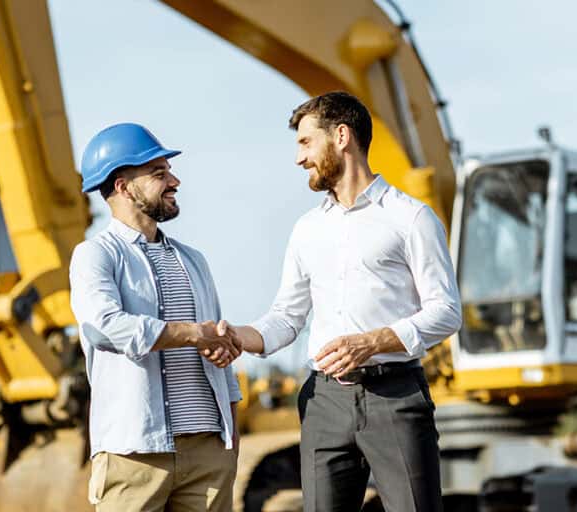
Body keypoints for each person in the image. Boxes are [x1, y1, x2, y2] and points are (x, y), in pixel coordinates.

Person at [228, 92, 463, 511]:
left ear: (341, 136)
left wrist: (371, 342)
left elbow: (446, 311)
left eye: (305, 143)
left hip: (395, 397)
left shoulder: (411, 218)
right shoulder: (306, 229)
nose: (299, 159)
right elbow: (287, 315)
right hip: (324, 402)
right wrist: (239, 337)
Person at [69, 122, 243, 511]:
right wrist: (192, 334)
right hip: (135, 453)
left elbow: (220, 354)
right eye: (159, 173)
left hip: (208, 452)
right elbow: (104, 327)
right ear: (123, 186)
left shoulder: (193, 261)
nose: (174, 181)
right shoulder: (96, 255)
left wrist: (230, 445)